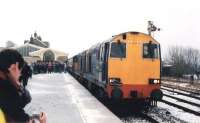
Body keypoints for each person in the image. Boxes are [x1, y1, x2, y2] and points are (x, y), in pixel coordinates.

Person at [0, 49, 46, 123]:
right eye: (20, 70)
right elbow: (22, 103)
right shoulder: (8, 94)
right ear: (13, 67)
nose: (20, 74)